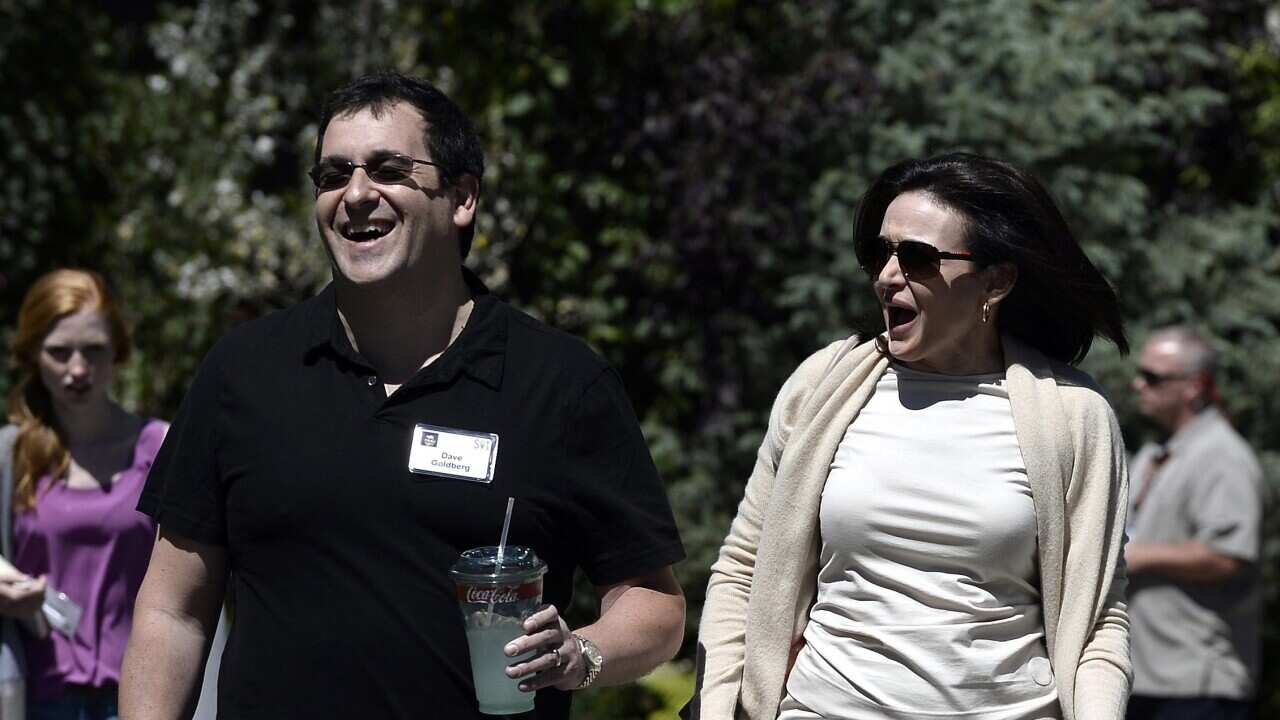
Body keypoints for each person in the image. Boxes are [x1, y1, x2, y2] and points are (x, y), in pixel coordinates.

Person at [119, 71, 686, 719]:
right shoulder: (242, 373)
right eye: (333, 176)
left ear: (463, 196)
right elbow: (173, 610)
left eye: (387, 170)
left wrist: (581, 654)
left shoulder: (558, 383)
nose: (355, 195)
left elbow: (655, 605)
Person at [687, 153, 1133, 720]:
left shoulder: (1074, 415)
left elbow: (1098, 621)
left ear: (996, 280)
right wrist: (721, 704)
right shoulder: (824, 386)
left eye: (919, 258)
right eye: (881, 253)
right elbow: (744, 568)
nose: (888, 276)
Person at [0, 268, 167, 720]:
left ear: (117, 352)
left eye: (93, 350)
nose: (78, 369)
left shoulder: (161, 450)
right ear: (34, 355)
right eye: (59, 352)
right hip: (35, 698)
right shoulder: (10, 456)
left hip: (140, 699)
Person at [1125, 327, 1263, 720]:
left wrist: (1138, 556)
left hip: (1198, 685)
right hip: (1146, 677)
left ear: (1194, 386)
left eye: (1153, 378)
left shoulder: (1222, 456)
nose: (1138, 385)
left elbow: (1229, 556)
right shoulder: (1155, 455)